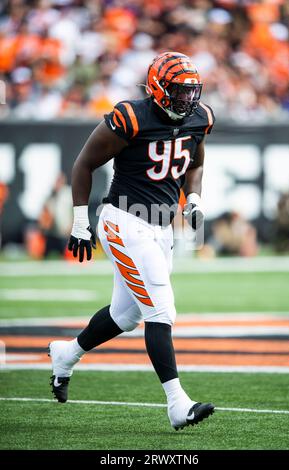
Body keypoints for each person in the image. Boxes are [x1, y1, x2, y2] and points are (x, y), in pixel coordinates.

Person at [48, 51, 215, 431]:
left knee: (127, 315)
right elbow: (83, 164)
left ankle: (65, 355)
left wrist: (195, 199)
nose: (186, 100)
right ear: (157, 87)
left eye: (191, 92)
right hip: (123, 220)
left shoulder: (200, 118)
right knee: (161, 308)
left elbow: (196, 162)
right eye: (178, 91)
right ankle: (177, 404)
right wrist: (79, 223)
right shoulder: (129, 116)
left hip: (160, 227)